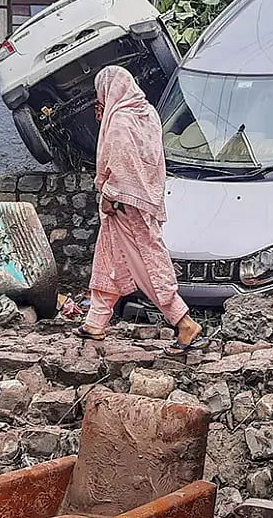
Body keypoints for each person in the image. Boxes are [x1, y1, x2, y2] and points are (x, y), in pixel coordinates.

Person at [72, 66, 208, 356]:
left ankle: (183, 321)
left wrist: (110, 195)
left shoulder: (120, 120)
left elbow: (121, 163)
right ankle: (95, 321)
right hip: (144, 197)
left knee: (146, 262)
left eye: (101, 95)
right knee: (108, 257)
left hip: (125, 203)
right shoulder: (146, 113)